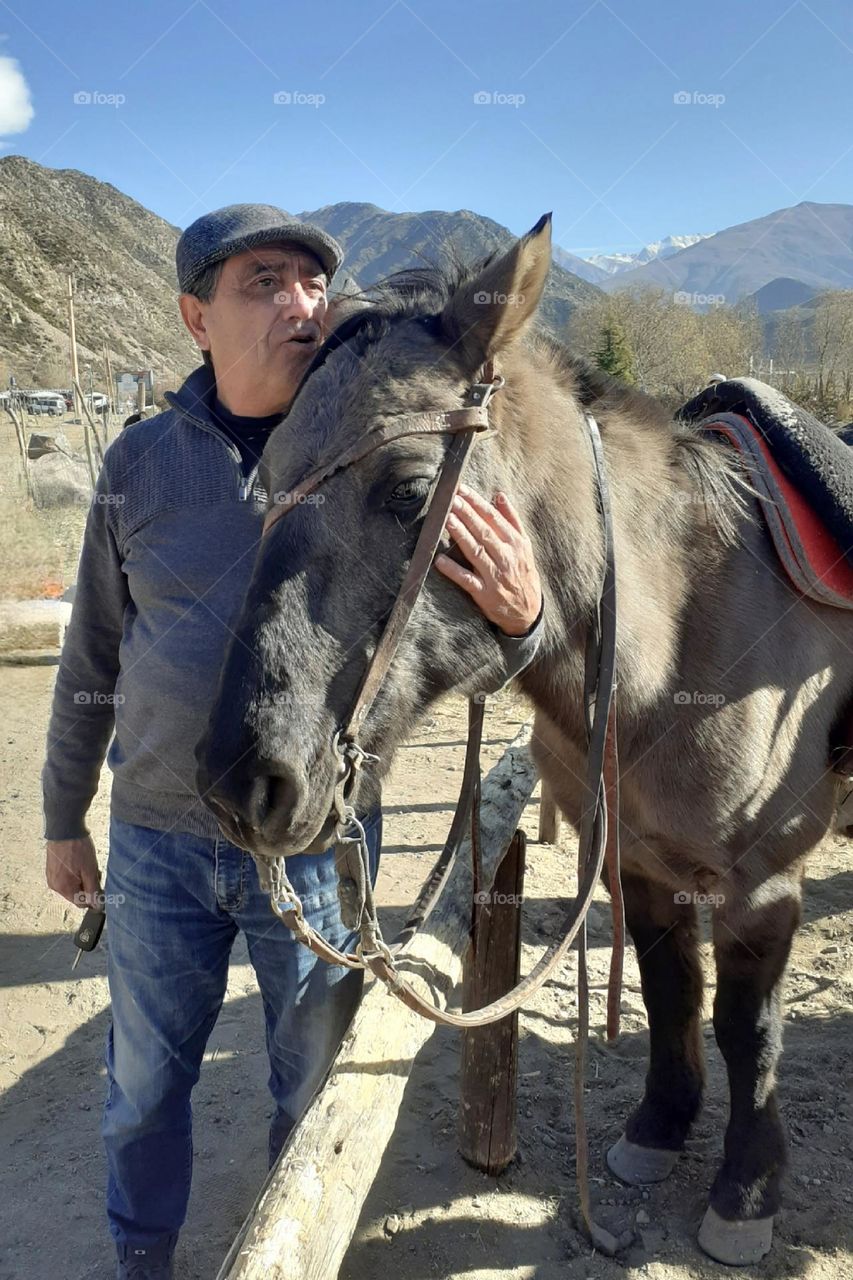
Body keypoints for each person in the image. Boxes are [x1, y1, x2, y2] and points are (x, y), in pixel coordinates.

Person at [42, 203, 544, 1280]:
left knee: (311, 1087)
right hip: (158, 845)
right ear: (195, 315)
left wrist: (524, 614)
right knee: (140, 1089)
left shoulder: (380, 447)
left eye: (315, 280)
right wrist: (59, 818)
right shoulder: (138, 464)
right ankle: (143, 1263)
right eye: (264, 281)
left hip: (318, 843)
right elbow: (89, 660)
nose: (302, 302)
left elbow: (480, 655)